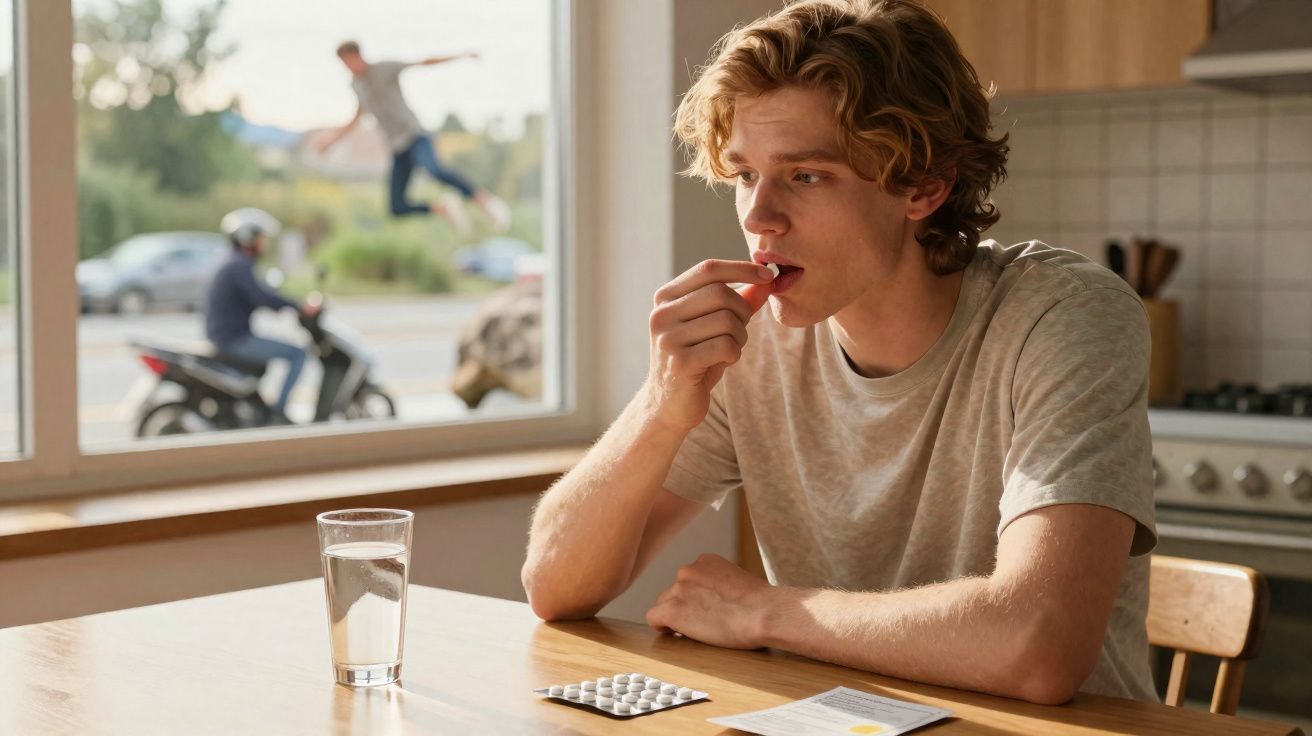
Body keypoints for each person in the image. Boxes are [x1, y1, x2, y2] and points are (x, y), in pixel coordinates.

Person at [522, 0, 1157, 706]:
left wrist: (765, 612)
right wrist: (663, 404)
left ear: (924, 185)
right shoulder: (749, 344)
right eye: (743, 176)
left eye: (806, 176)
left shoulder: (1061, 316)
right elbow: (554, 586)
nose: (758, 218)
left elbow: (1037, 646)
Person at [317, 41, 510, 233]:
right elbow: (356, 118)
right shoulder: (356, 85)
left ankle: (485, 200)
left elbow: (423, 62)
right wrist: (331, 140)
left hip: (414, 136)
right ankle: (444, 208)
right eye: (344, 64)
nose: (348, 67)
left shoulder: (384, 69)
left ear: (357, 56)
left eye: (348, 61)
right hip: (397, 148)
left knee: (434, 170)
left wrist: (461, 55)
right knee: (396, 208)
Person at [204, 209, 321, 425]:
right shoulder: (238, 266)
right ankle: (278, 412)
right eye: (261, 238)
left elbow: (259, 294)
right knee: (298, 353)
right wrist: (299, 305)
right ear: (248, 238)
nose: (264, 244)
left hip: (224, 336)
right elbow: (262, 296)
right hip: (233, 340)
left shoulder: (231, 262)